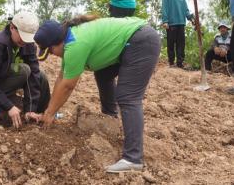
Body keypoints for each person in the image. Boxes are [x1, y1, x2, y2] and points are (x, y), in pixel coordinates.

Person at [33, 15, 160, 173]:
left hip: (140, 42)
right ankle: (110, 118)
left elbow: (67, 86)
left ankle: (133, 158)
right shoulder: (70, 38)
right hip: (132, 40)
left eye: (50, 50)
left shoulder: (75, 44)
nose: (52, 55)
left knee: (128, 97)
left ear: (58, 42)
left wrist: (51, 113)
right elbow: (61, 78)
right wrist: (49, 111)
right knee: (103, 73)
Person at [161, 0, 195, 68]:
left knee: (181, 44)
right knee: (171, 44)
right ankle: (171, 63)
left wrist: (190, 18)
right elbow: (164, 8)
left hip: (181, 23)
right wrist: (165, 21)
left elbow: (185, 9)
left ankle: (180, 63)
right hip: (171, 23)